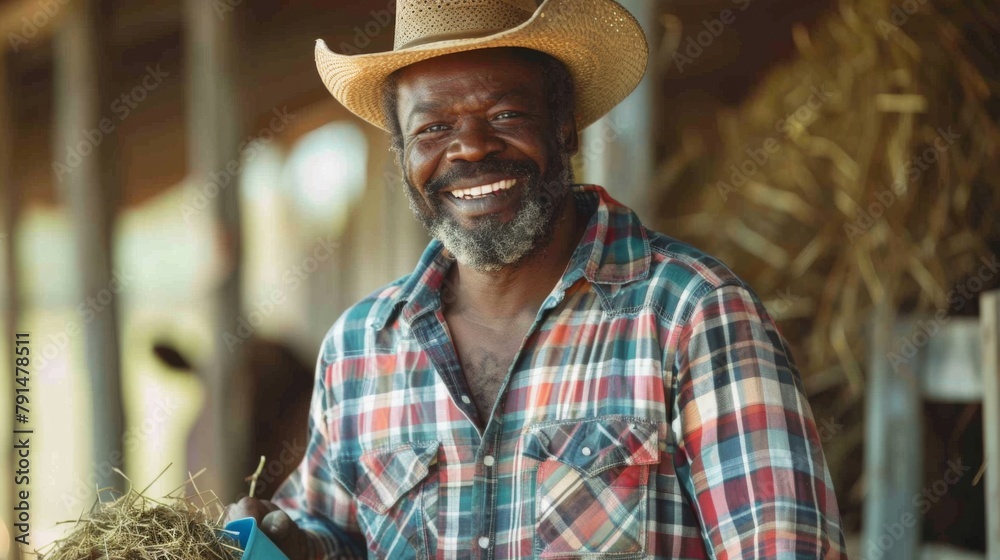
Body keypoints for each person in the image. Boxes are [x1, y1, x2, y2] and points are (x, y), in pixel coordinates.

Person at [226, 0, 848, 558]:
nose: (469, 148)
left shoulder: (693, 316)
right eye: (433, 128)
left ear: (564, 127)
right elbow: (335, 533)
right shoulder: (359, 348)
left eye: (503, 113)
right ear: (402, 155)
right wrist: (295, 544)